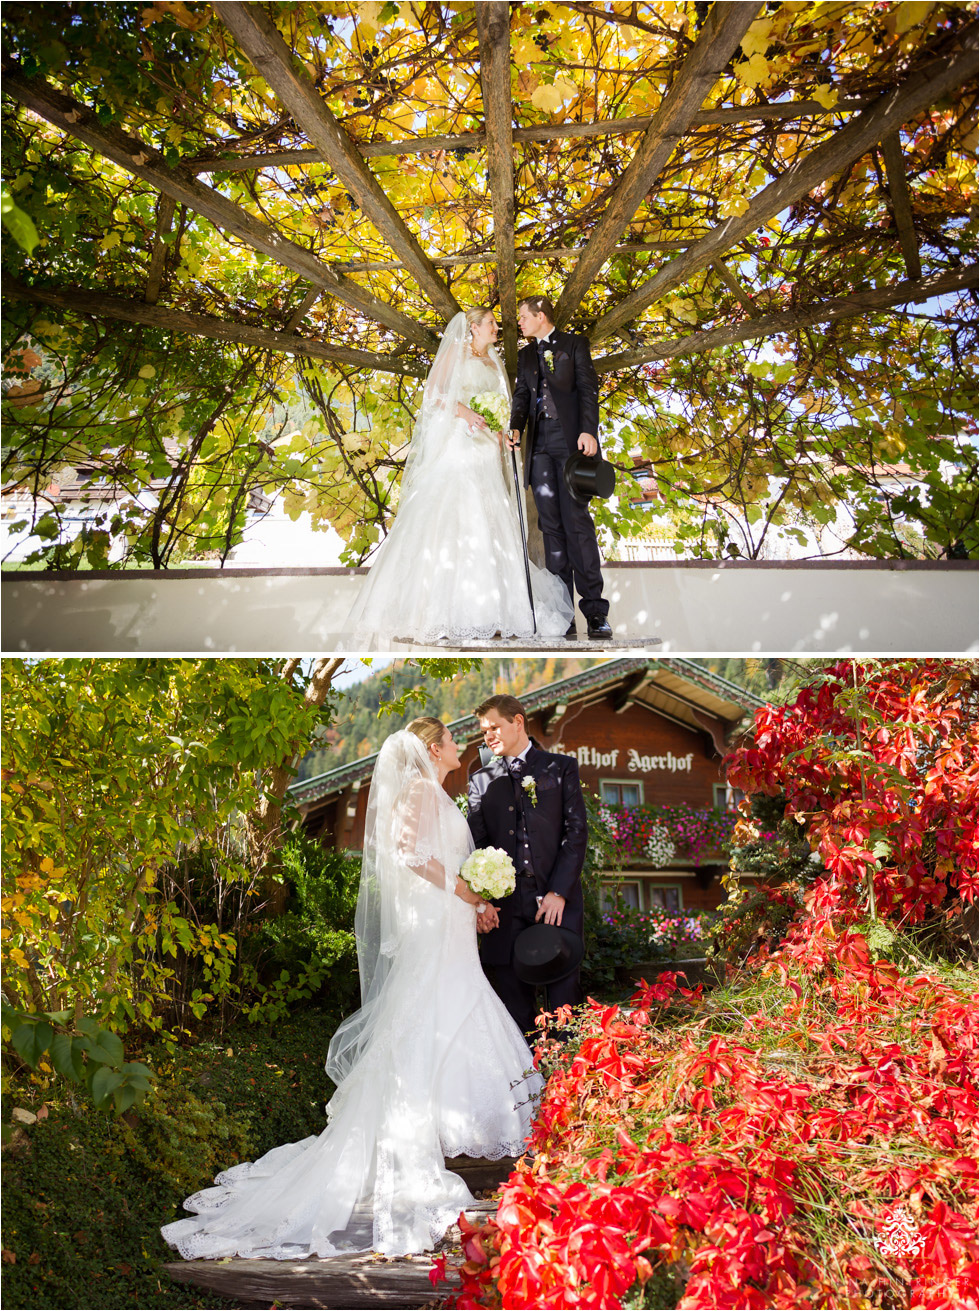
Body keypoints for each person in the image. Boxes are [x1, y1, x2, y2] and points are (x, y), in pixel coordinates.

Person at [161, 719, 542, 1261]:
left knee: (457, 1002)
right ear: (434, 749)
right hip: (436, 920)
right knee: (439, 1006)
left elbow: (440, 859)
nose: (461, 747)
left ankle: (464, 1121)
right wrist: (465, 890)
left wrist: (477, 900)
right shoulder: (417, 790)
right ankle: (438, 1123)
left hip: (450, 918)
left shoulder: (433, 790)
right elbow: (409, 853)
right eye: (454, 741)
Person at [342, 308, 573, 647]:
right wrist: (465, 412)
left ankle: (494, 612)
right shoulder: (455, 352)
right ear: (474, 328)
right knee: (458, 513)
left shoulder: (494, 362)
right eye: (492, 323)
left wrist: (501, 432)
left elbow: (504, 407)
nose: (498, 327)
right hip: (459, 442)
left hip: (486, 448)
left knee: (490, 517)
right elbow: (435, 394)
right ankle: (444, 613)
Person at [466, 694, 587, 1036]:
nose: (488, 736)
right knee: (514, 1017)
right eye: (484, 731)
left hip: (556, 908)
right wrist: (482, 902)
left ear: (517, 722)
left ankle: (566, 1084)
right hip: (503, 914)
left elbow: (575, 834)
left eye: (494, 727)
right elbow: (476, 845)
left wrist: (558, 892)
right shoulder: (479, 780)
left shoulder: (561, 768)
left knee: (564, 1011)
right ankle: (526, 1089)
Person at [510, 296, 613, 641]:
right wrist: (514, 426)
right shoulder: (524, 356)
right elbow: (522, 396)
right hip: (537, 445)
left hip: (570, 442)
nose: (519, 323)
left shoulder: (574, 344)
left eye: (523, 317)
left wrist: (588, 430)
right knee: (551, 528)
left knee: (577, 524)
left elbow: (588, 389)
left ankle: (596, 613)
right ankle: (562, 615)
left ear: (541, 316)